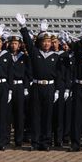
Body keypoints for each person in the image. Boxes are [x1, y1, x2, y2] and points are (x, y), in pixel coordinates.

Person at [18, 15, 64, 151]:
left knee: (47, 116)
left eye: (49, 41)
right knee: (36, 115)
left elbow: (59, 75)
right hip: (37, 87)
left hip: (50, 87)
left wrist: (57, 90)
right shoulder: (35, 52)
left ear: (52, 43)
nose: (46, 44)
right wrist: (23, 27)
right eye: (44, 41)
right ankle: (35, 142)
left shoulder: (56, 56)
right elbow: (27, 42)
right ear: (40, 42)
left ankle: (46, 142)